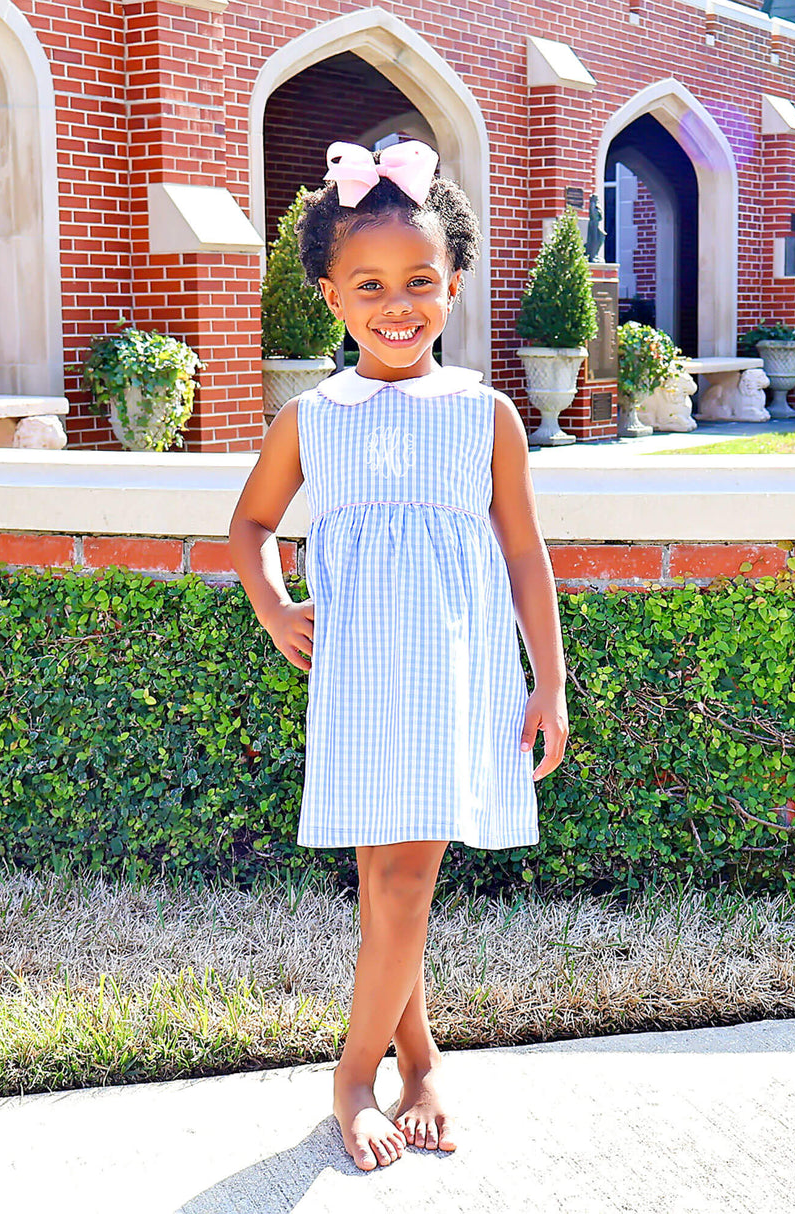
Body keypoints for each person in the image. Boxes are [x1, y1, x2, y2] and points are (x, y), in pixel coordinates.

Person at [228, 138, 569, 1172]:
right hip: (363, 677)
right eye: (369, 285)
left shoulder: (485, 413)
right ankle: (394, 1064)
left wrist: (547, 680)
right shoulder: (309, 418)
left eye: (419, 282)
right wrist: (276, 606)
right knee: (390, 876)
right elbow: (248, 526)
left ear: (451, 285)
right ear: (330, 295)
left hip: (456, 675)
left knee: (406, 878)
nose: (397, 304)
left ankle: (369, 1065)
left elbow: (522, 549)